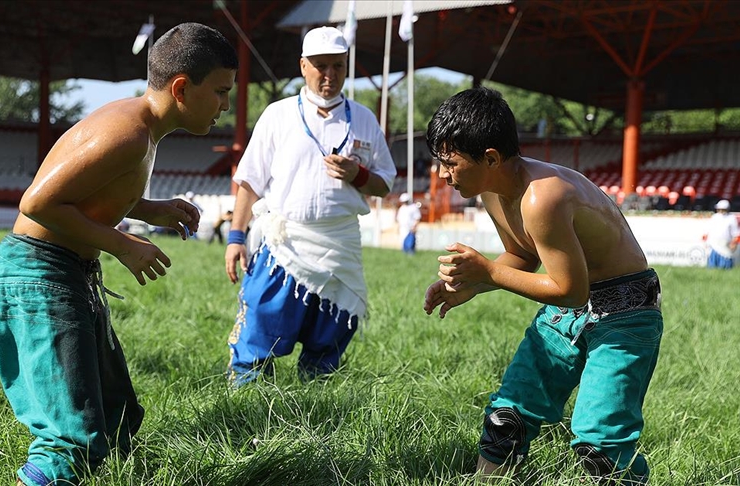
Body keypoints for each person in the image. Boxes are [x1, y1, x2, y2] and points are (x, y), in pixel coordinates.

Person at [0, 23, 237, 486]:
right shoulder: (128, 134)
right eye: (220, 92)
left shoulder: (138, 128)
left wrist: (152, 210)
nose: (225, 106)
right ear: (181, 88)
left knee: (118, 417)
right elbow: (36, 203)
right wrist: (122, 244)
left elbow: (89, 190)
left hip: (62, 276)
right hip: (37, 278)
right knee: (72, 437)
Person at [422, 87, 663, 485]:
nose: (442, 175)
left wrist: (488, 271)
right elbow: (522, 254)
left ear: (491, 158)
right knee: (508, 418)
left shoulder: (542, 197)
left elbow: (571, 290)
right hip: (564, 314)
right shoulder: (493, 191)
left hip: (626, 312)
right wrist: (470, 286)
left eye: (450, 164)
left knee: (601, 448)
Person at [224, 26, 396, 387]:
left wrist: (358, 174)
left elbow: (386, 182)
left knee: (329, 335)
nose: (329, 75)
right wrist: (236, 237)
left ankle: (316, 399)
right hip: (285, 240)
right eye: (320, 65)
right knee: (261, 324)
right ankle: (244, 399)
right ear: (303, 66)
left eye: (337, 66)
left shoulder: (363, 118)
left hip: (339, 242)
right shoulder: (278, 114)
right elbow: (250, 180)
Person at [703, 199, 739, 269]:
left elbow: (735, 233)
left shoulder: (731, 218)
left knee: (725, 262)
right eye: (719, 209)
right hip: (714, 244)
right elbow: (708, 230)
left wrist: (734, 242)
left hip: (725, 245)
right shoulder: (714, 217)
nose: (720, 211)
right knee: (712, 264)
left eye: (722, 209)